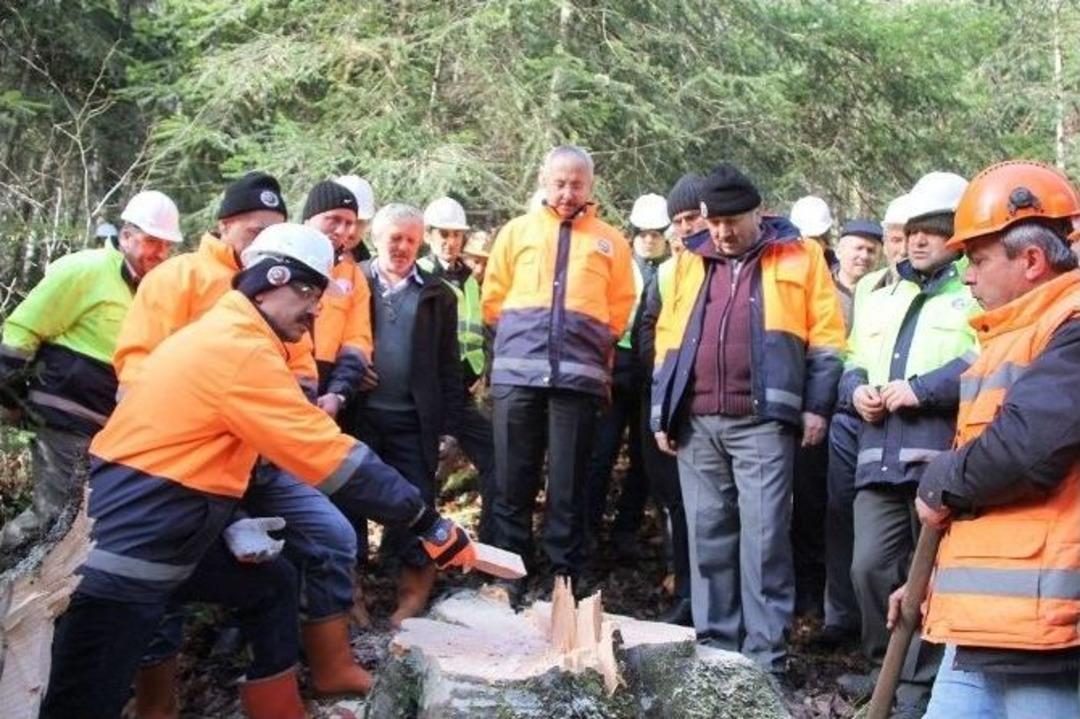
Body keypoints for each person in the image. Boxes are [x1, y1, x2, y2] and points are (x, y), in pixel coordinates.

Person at [40, 223, 475, 719]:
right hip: (129, 546)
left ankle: (278, 709)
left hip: (172, 527)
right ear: (271, 279)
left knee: (272, 583)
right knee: (85, 700)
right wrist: (426, 522)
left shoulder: (240, 335)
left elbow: (208, 448)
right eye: (309, 291)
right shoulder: (239, 348)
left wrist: (226, 518)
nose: (316, 310)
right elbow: (330, 456)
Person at [112, 173, 373, 709]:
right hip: (185, 463)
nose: (261, 242)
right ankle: (157, 702)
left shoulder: (292, 290)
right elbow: (137, 367)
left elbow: (299, 373)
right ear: (225, 225)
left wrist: (304, 418)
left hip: (267, 457)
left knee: (333, 537)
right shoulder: (178, 278)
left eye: (273, 232)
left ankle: (330, 665)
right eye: (253, 230)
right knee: (166, 578)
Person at [891, 161, 1080, 719]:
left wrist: (940, 477)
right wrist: (931, 584)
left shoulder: (1070, 330)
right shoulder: (1010, 338)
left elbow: (1026, 449)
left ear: (1031, 260)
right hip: (983, 625)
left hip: (1046, 635)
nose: (967, 276)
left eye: (976, 260)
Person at [651, 163, 846, 674]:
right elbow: (667, 339)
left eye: (731, 222)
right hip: (696, 421)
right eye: (713, 223)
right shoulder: (689, 261)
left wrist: (816, 406)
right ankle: (717, 655)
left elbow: (827, 337)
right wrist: (660, 410)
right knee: (708, 536)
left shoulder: (800, 255)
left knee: (763, 540)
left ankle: (765, 660)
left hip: (764, 419)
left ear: (758, 212)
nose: (721, 233)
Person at [835, 171, 975, 716]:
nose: (919, 240)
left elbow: (982, 362)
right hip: (878, 455)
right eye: (914, 230)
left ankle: (915, 689)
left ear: (956, 236)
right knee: (867, 567)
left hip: (938, 459)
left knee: (927, 580)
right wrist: (856, 392)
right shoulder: (881, 295)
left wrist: (920, 391)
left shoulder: (971, 293)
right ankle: (881, 669)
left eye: (934, 231)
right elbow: (852, 361)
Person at [482, 145, 635, 600]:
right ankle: (509, 575)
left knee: (568, 485)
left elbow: (620, 307)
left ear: (590, 186)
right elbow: (494, 299)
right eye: (560, 183)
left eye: (577, 184)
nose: (568, 192)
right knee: (512, 480)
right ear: (544, 182)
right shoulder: (516, 232)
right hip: (517, 377)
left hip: (578, 379)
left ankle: (562, 580)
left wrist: (590, 345)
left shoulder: (611, 241)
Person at [0, 190, 182, 550]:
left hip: (108, 428)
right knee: (53, 515)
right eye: (151, 242)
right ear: (127, 235)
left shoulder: (157, 291)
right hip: (64, 414)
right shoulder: (85, 269)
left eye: (166, 246)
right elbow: (24, 328)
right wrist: (7, 389)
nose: (159, 254)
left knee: (81, 519)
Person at [351, 203, 465, 626]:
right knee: (347, 506)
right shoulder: (352, 283)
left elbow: (448, 364)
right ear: (378, 237)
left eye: (410, 240)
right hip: (358, 417)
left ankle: (411, 600)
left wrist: (449, 427)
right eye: (395, 238)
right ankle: (350, 597)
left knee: (417, 502)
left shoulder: (436, 294)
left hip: (413, 420)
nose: (402, 247)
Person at [818, 196, 911, 650]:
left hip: (910, 424)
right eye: (894, 238)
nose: (898, 247)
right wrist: (852, 390)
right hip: (851, 418)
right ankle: (841, 616)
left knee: (895, 530)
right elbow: (850, 355)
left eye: (902, 239)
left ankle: (896, 638)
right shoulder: (874, 289)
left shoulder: (949, 292)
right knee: (840, 515)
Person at [584, 192, 670, 559]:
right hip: (615, 367)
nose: (649, 238)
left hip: (653, 374)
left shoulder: (673, 270)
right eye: (643, 232)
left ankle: (626, 531)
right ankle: (587, 529)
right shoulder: (620, 264)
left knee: (645, 459)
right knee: (600, 454)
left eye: (656, 232)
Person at [636, 173, 706, 626]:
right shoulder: (666, 272)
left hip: (715, 405)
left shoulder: (732, 266)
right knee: (676, 505)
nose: (685, 228)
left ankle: (713, 601)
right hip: (668, 400)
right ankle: (686, 592)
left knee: (714, 511)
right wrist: (664, 377)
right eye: (677, 220)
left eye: (691, 217)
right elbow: (646, 327)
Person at [418, 197, 496, 543]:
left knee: (495, 460)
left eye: (456, 235)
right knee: (421, 468)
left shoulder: (470, 279)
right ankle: (414, 547)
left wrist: (482, 371)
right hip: (426, 389)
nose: (450, 242)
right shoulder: (418, 274)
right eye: (443, 235)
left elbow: (479, 328)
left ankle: (493, 540)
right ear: (429, 235)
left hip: (463, 388)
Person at [302, 179, 373, 419]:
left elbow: (358, 341)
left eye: (350, 223)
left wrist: (338, 393)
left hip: (328, 390)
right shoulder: (275, 264)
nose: (343, 231)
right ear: (309, 218)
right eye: (333, 220)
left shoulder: (354, 276)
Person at [832, 219, 884, 330]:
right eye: (858, 248)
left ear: (879, 258)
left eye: (871, 251)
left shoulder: (887, 293)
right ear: (839, 252)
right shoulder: (819, 289)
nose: (864, 256)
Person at [790, 194, 838, 270]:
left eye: (815, 240)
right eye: (806, 240)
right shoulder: (782, 263)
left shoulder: (834, 267)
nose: (811, 246)